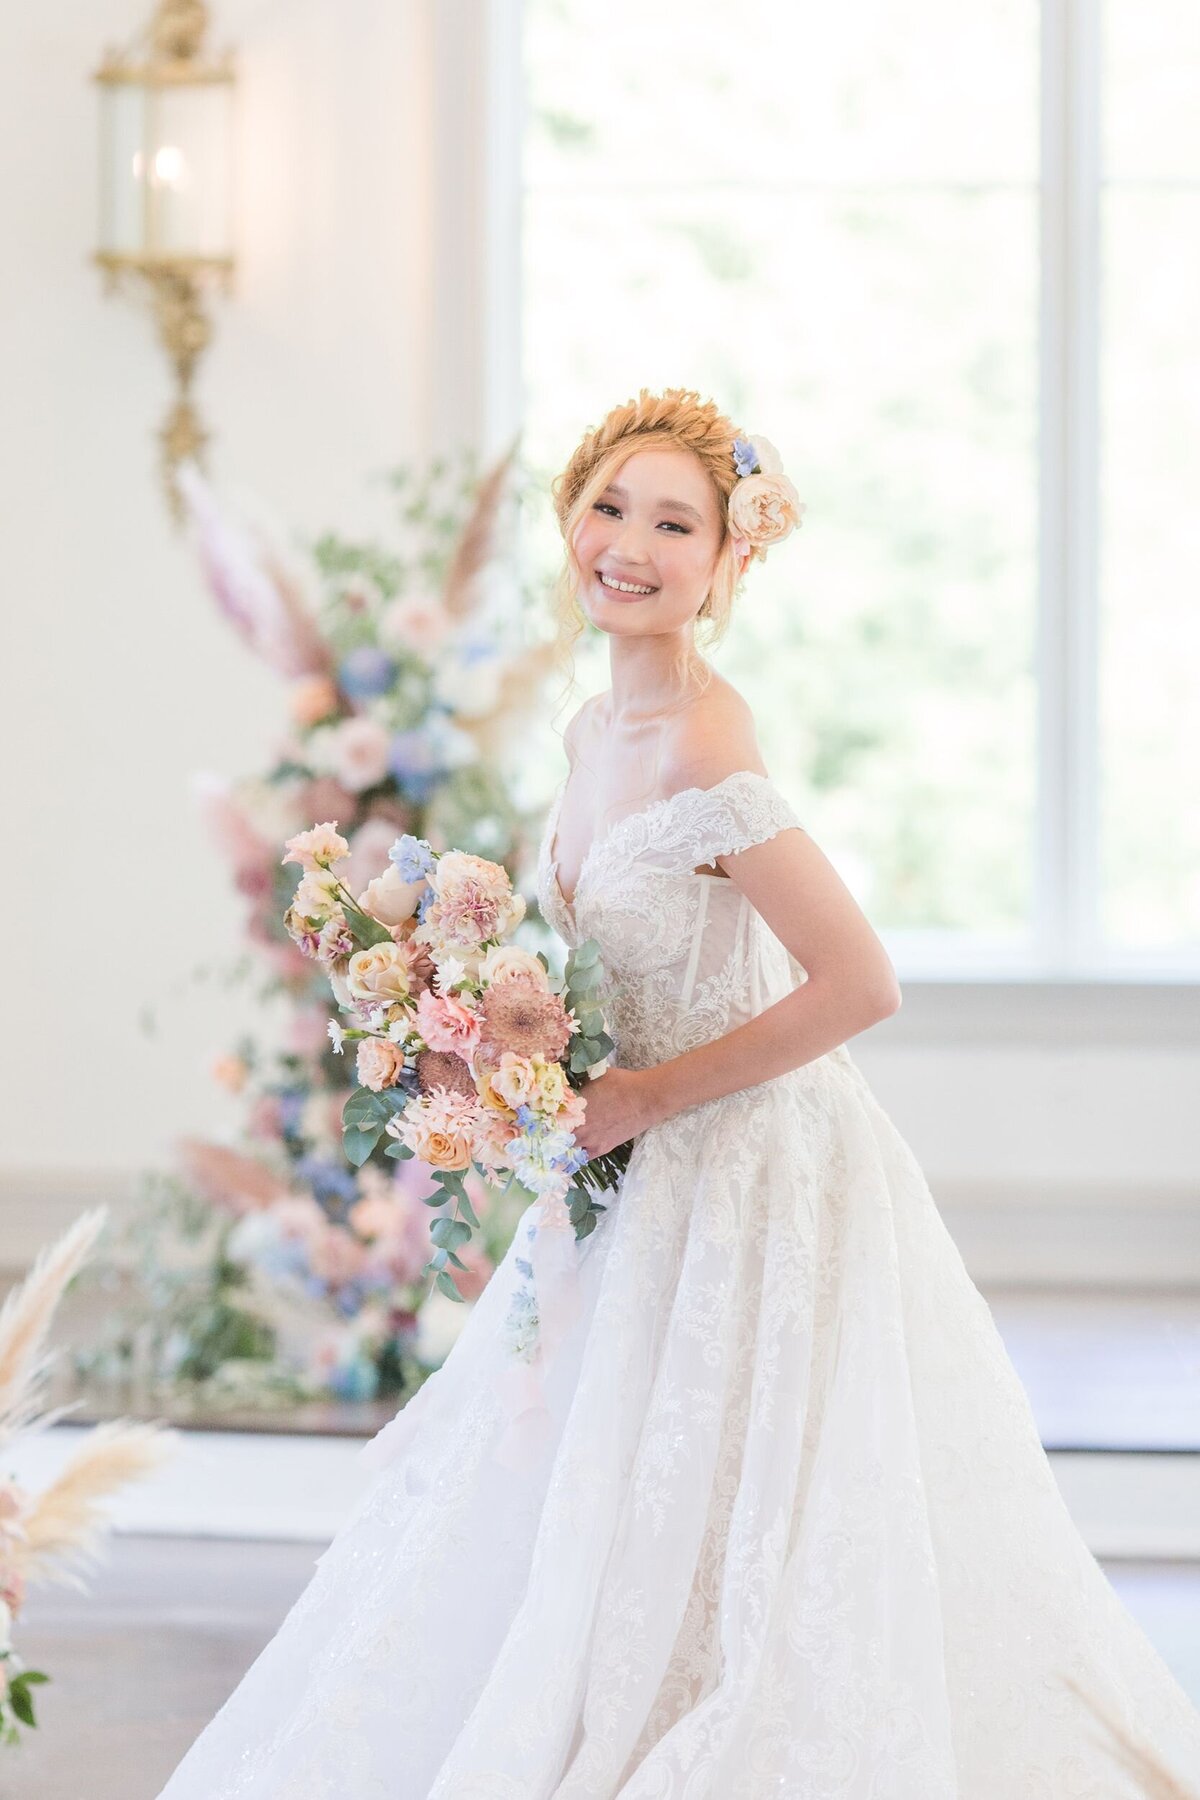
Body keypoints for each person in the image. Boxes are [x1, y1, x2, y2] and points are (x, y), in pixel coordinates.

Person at [156, 388, 1200, 1798]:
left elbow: (860, 983)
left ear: (727, 562)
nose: (629, 545)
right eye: (608, 508)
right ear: (569, 521)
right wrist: (492, 1047)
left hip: (753, 1168)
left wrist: (649, 1096)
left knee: (752, 1507)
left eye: (673, 523)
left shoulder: (715, 747)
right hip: (620, 1172)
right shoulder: (591, 732)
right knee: (586, 1489)